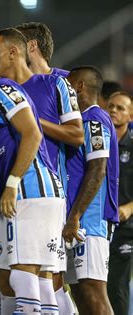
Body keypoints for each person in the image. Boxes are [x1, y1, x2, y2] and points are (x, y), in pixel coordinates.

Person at [0, 34, 65, 315]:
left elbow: (33, 133)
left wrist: (12, 183)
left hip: (30, 190)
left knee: (22, 277)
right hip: (33, 194)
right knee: (26, 283)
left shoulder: (3, 90)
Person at [63, 66, 119, 315]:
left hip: (91, 219)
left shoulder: (94, 119)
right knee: (81, 293)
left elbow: (98, 169)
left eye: (68, 84)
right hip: (80, 218)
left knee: (93, 291)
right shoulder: (82, 120)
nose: (64, 89)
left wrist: (76, 216)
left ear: (79, 87)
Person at [106, 91, 132, 315]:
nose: (113, 110)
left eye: (120, 108)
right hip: (99, 224)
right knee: (93, 286)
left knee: (116, 285)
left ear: (130, 116)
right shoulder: (98, 142)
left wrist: (130, 208)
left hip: (125, 229)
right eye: (111, 106)